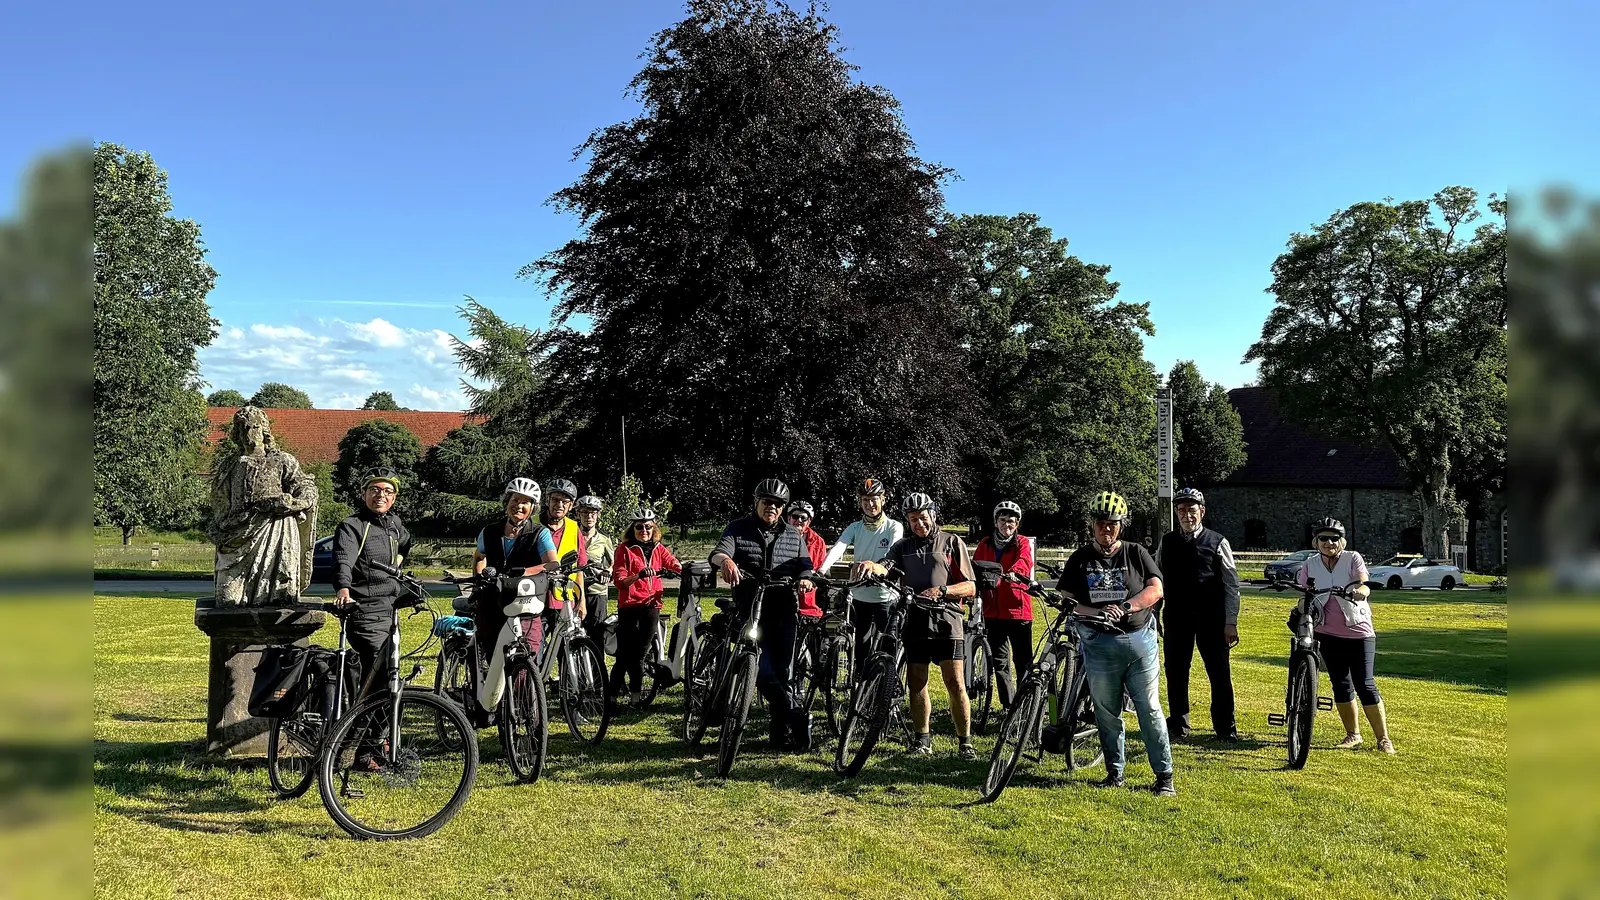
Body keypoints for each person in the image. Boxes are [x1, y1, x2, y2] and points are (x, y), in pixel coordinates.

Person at [1060, 490, 1175, 795]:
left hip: (1139, 643)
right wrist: (1096, 612)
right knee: (1106, 712)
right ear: (1092, 524)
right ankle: (1115, 772)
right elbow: (1068, 598)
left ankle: (1164, 777)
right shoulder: (1081, 558)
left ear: (1121, 525)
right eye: (1100, 523)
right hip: (1099, 646)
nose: (1106, 528)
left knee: (1149, 709)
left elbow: (1156, 589)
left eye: (1112, 523)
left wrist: (1127, 607)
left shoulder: (1136, 552)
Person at [853, 492, 978, 760]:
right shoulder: (903, 546)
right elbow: (886, 565)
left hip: (947, 620)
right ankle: (923, 740)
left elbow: (970, 586)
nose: (918, 523)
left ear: (933, 515)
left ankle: (965, 743)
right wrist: (872, 566)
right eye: (913, 520)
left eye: (923, 517)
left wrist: (942, 591)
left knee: (955, 682)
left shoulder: (952, 542)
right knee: (916, 682)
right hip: (915, 620)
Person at [709, 479, 817, 751]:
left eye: (778, 504)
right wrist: (726, 561)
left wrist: (805, 579)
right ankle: (798, 717)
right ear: (756, 502)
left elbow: (805, 566)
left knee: (784, 672)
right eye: (767, 502)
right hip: (750, 608)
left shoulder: (793, 535)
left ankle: (779, 735)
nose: (772, 507)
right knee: (761, 669)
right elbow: (718, 553)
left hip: (783, 608)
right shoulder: (738, 527)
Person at [331, 467, 413, 768]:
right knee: (381, 680)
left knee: (389, 681)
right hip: (363, 610)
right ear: (364, 493)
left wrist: (398, 567)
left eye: (388, 492)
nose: (381, 496)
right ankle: (353, 750)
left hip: (390, 610)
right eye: (375, 490)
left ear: (394, 497)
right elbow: (343, 559)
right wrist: (343, 589)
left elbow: (406, 542)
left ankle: (368, 749)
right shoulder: (352, 525)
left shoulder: (394, 524)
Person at [1296, 517, 1394, 753]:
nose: (1329, 542)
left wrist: (1360, 591)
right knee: (1340, 684)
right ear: (1315, 541)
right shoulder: (1310, 564)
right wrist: (1301, 603)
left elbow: (1364, 583)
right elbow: (1302, 591)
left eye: (1334, 538)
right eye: (1323, 538)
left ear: (1342, 541)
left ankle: (1383, 739)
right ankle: (1353, 734)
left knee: (1366, 684)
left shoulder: (1352, 558)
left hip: (1358, 632)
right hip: (1326, 632)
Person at [1155, 487, 1242, 742]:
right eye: (1181, 510)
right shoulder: (1167, 542)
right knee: (1175, 672)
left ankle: (1226, 729)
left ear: (1201, 512)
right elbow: (1157, 580)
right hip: (1176, 618)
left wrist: (1230, 622)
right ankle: (1178, 725)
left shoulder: (1217, 542)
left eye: (1191, 510)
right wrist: (1154, 614)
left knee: (1219, 673)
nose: (1186, 515)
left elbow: (1231, 584)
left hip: (1212, 620)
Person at [819, 476, 905, 668]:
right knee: (861, 647)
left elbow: (893, 550)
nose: (870, 504)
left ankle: (890, 684)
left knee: (888, 645)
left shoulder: (893, 526)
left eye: (874, 499)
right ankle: (861, 686)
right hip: (860, 595)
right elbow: (839, 547)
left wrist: (875, 567)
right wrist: (822, 570)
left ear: (883, 499)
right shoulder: (855, 528)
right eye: (865, 500)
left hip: (885, 595)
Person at [471, 477, 558, 657]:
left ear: (532, 507)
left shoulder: (539, 533)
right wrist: (479, 579)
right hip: (493, 600)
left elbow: (552, 563)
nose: (519, 506)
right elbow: (480, 556)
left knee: (528, 653)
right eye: (515, 500)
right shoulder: (489, 531)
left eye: (525, 502)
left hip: (526, 601)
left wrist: (525, 572)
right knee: (492, 652)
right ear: (507, 502)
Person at [609, 507, 682, 706]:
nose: (644, 531)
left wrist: (687, 570)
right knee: (624, 655)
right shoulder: (624, 550)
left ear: (654, 528)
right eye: (639, 527)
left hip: (651, 605)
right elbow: (620, 581)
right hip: (630, 605)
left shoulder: (658, 548)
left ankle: (635, 698)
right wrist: (638, 576)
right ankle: (612, 698)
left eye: (648, 527)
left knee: (640, 653)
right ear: (632, 529)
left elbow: (673, 564)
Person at [973, 500, 1036, 711]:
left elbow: (1025, 561)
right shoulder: (985, 544)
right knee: (999, 663)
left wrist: (1015, 573)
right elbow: (975, 566)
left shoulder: (1022, 543)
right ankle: (1009, 705)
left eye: (1011, 521)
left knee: (1023, 661)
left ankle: (1026, 704)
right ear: (995, 521)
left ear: (1017, 524)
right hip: (993, 612)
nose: (1006, 525)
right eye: (1002, 520)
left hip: (1018, 611)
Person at [538, 478, 589, 635]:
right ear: (547, 500)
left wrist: (582, 601)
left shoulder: (574, 529)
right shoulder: (532, 525)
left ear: (571, 505)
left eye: (565, 502)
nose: (559, 505)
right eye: (555, 500)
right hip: (535, 598)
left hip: (564, 600)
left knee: (566, 652)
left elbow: (579, 568)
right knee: (533, 651)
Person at [575, 495, 614, 646]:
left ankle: (598, 668)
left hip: (597, 592)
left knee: (597, 634)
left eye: (593, 513)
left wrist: (608, 572)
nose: (589, 517)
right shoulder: (572, 536)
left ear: (598, 515)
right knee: (576, 633)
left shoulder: (604, 540)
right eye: (584, 513)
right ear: (578, 515)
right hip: (576, 591)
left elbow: (614, 563)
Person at [787, 501, 828, 621]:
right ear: (788, 518)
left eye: (803, 518)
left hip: (808, 598)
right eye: (795, 516)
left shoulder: (818, 542)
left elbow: (821, 568)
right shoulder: (779, 537)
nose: (798, 520)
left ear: (808, 522)